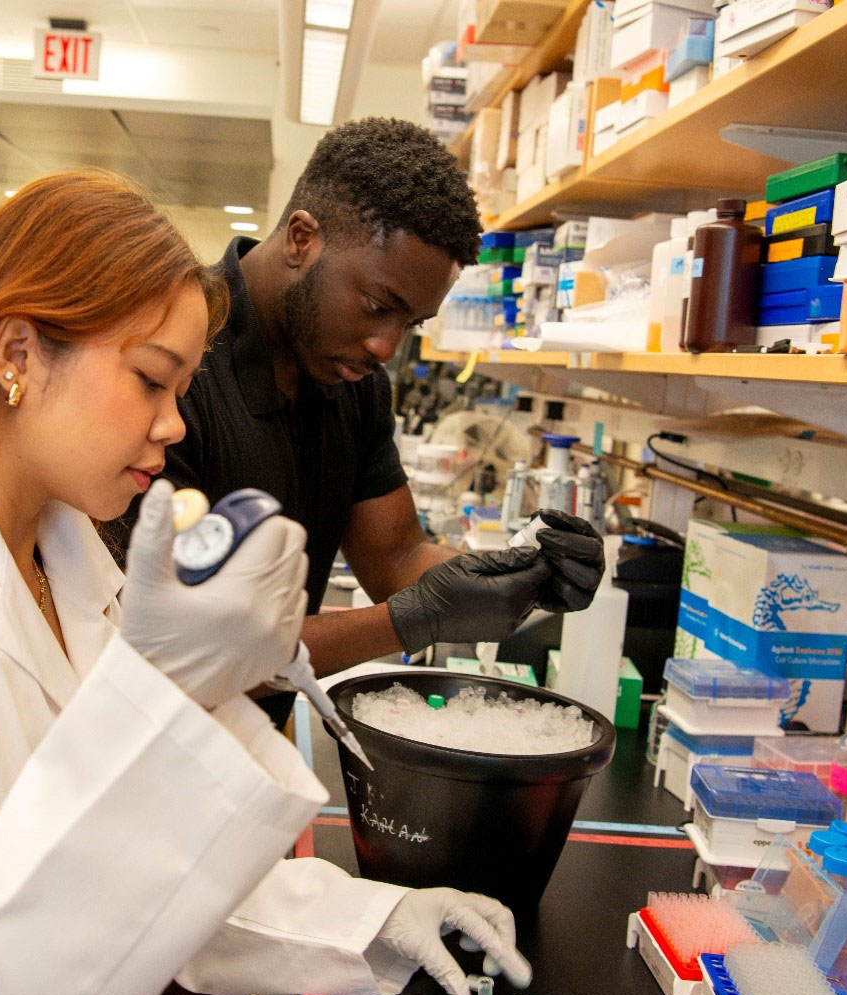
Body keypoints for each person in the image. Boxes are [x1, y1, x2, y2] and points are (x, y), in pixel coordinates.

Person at [0, 169, 531, 995]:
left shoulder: (73, 576)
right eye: (150, 379)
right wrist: (157, 705)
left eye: (182, 391)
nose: (175, 425)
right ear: (17, 355)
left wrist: (375, 921)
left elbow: (143, 871)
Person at [109, 118, 604, 738]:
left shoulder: (357, 387)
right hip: (144, 752)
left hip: (257, 744)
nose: (385, 346)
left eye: (412, 324)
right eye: (378, 306)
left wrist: (522, 572)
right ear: (300, 238)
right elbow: (185, 647)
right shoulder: (182, 373)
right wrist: (410, 620)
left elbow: (395, 554)